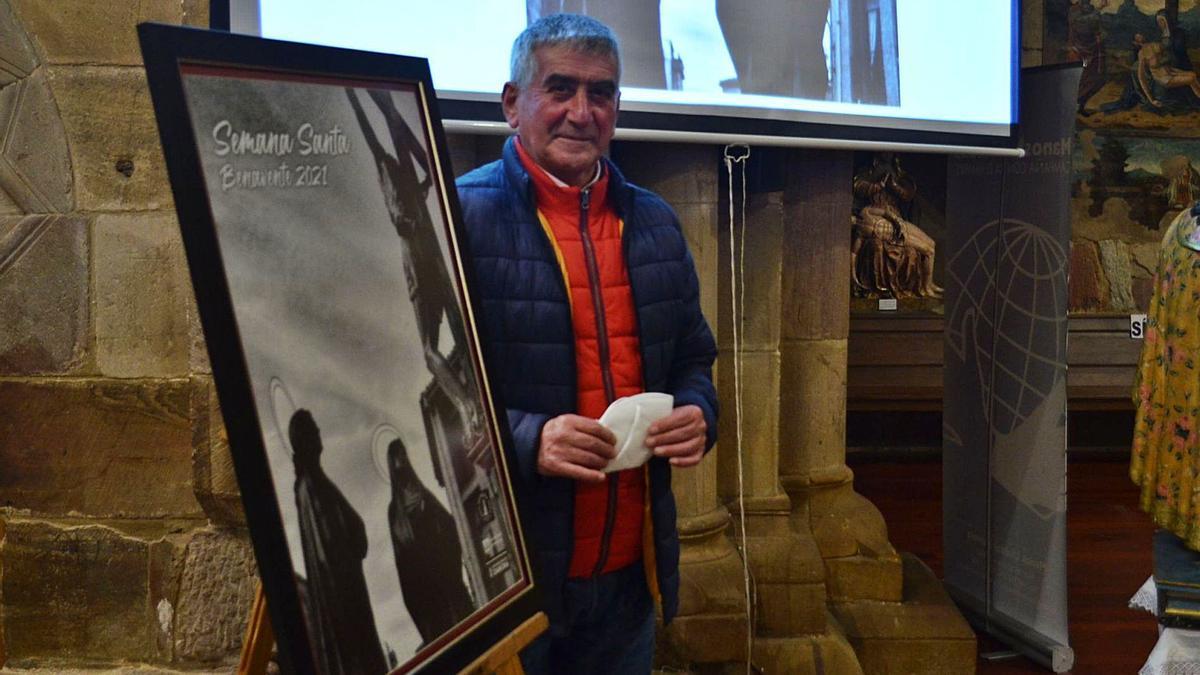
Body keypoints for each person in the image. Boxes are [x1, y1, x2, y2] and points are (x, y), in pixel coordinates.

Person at [455, 14, 718, 675]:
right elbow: (414, 389)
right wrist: (528, 440)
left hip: (626, 580)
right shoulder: (457, 218)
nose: (581, 111)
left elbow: (693, 355)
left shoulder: (654, 221)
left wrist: (699, 412)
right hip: (509, 584)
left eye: (600, 93)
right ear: (514, 104)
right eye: (560, 87)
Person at [289, 409, 389, 675]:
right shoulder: (309, 486)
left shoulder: (317, 482)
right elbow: (327, 547)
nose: (319, 433)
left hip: (348, 589)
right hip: (341, 596)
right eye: (313, 429)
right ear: (305, 438)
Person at [385, 437, 475, 646]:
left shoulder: (424, 495)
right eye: (398, 455)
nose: (403, 459)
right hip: (425, 589)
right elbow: (402, 559)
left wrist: (445, 558)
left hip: (445, 576)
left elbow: (450, 525)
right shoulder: (395, 512)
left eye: (404, 453)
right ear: (392, 463)